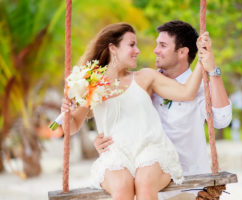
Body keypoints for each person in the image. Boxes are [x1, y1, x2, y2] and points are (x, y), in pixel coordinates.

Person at [61, 22, 207, 200]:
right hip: (116, 154)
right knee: (122, 187)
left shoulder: (145, 77)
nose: (137, 50)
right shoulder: (91, 83)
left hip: (151, 151)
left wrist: (203, 58)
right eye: (131, 45)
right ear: (113, 48)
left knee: (144, 183)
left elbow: (187, 93)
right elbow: (73, 125)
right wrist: (67, 114)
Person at [94, 20, 232, 200]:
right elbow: (121, 124)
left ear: (182, 52)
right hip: (148, 187)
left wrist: (212, 70)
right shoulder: (145, 84)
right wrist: (102, 143)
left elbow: (222, 120)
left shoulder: (200, 86)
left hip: (187, 185)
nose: (155, 50)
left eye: (163, 45)